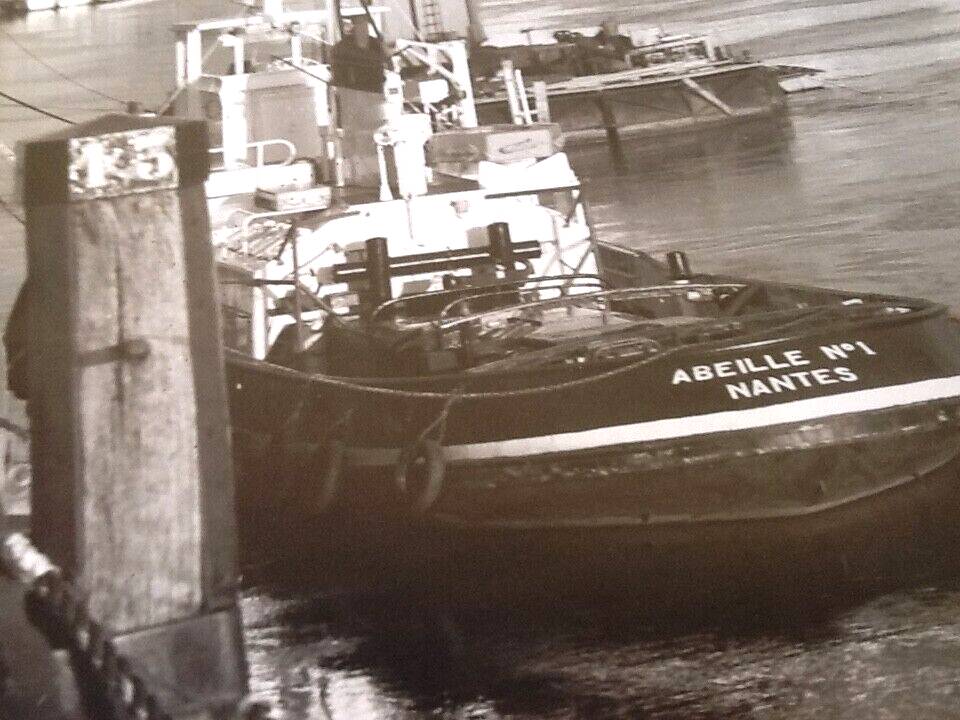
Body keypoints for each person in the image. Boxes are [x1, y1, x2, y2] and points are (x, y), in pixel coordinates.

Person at [331, 14, 388, 93]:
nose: (363, 28)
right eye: (359, 24)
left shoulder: (376, 45)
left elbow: (386, 65)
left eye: (365, 25)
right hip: (353, 94)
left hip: (377, 92)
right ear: (353, 28)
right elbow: (338, 79)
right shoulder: (341, 48)